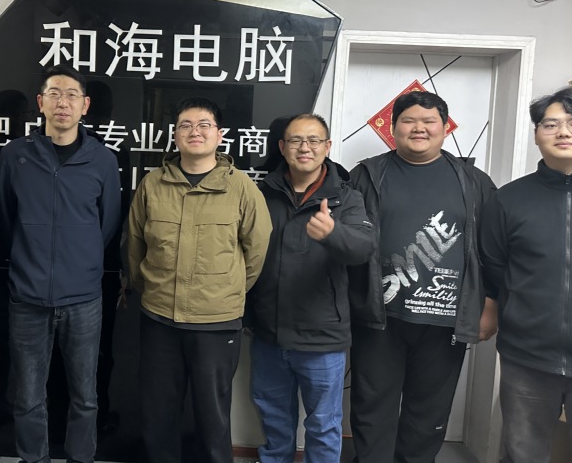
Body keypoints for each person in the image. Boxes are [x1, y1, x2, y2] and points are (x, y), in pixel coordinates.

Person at [347, 90, 497, 463]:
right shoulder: (366, 175)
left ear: (445, 128)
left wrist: (490, 306)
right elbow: (346, 241)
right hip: (378, 316)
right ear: (393, 127)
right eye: (409, 121)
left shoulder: (474, 182)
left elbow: (494, 250)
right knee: (371, 406)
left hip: (445, 321)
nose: (419, 128)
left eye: (429, 121)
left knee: (428, 413)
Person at [128, 96, 272, 463]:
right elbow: (134, 244)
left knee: (213, 416)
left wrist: (228, 291)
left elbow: (256, 250)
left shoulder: (241, 188)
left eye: (204, 125)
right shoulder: (153, 184)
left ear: (220, 135)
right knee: (158, 414)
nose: (195, 132)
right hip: (159, 318)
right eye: (186, 126)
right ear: (175, 135)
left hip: (216, 322)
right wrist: (150, 289)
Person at [0, 65, 121, 463]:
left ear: (85, 105)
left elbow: (108, 224)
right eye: (54, 93)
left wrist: (81, 261)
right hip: (27, 296)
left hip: (83, 298)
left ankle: (80, 457)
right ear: (40, 102)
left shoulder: (102, 159)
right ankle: (33, 458)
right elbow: (4, 219)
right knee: (28, 395)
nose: (62, 102)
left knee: (85, 394)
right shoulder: (15, 155)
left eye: (71, 95)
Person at [248, 113, 375, 463]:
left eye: (314, 140)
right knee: (273, 420)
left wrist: (334, 233)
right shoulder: (262, 194)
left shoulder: (346, 198)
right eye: (295, 140)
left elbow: (364, 248)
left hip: (322, 338)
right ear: (282, 147)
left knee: (322, 425)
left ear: (327, 146)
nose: (305, 147)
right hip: (268, 333)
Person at [480, 86, 572, 463]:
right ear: (536, 135)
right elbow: (494, 268)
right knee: (521, 454)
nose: (563, 132)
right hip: (527, 356)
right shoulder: (508, 200)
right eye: (551, 124)